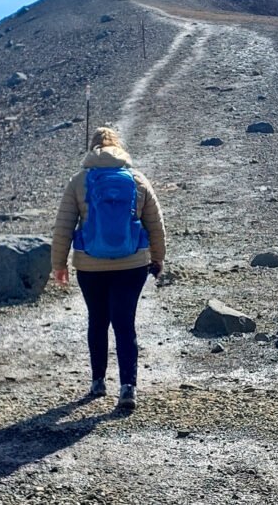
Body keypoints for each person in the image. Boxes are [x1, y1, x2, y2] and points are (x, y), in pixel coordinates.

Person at [51, 127, 166, 410]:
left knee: (98, 320)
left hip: (90, 266)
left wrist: (59, 264)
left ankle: (98, 381)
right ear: (120, 148)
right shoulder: (137, 179)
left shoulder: (79, 181)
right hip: (132, 264)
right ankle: (128, 387)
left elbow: (63, 226)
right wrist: (158, 257)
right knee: (124, 323)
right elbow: (156, 224)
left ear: (91, 149)